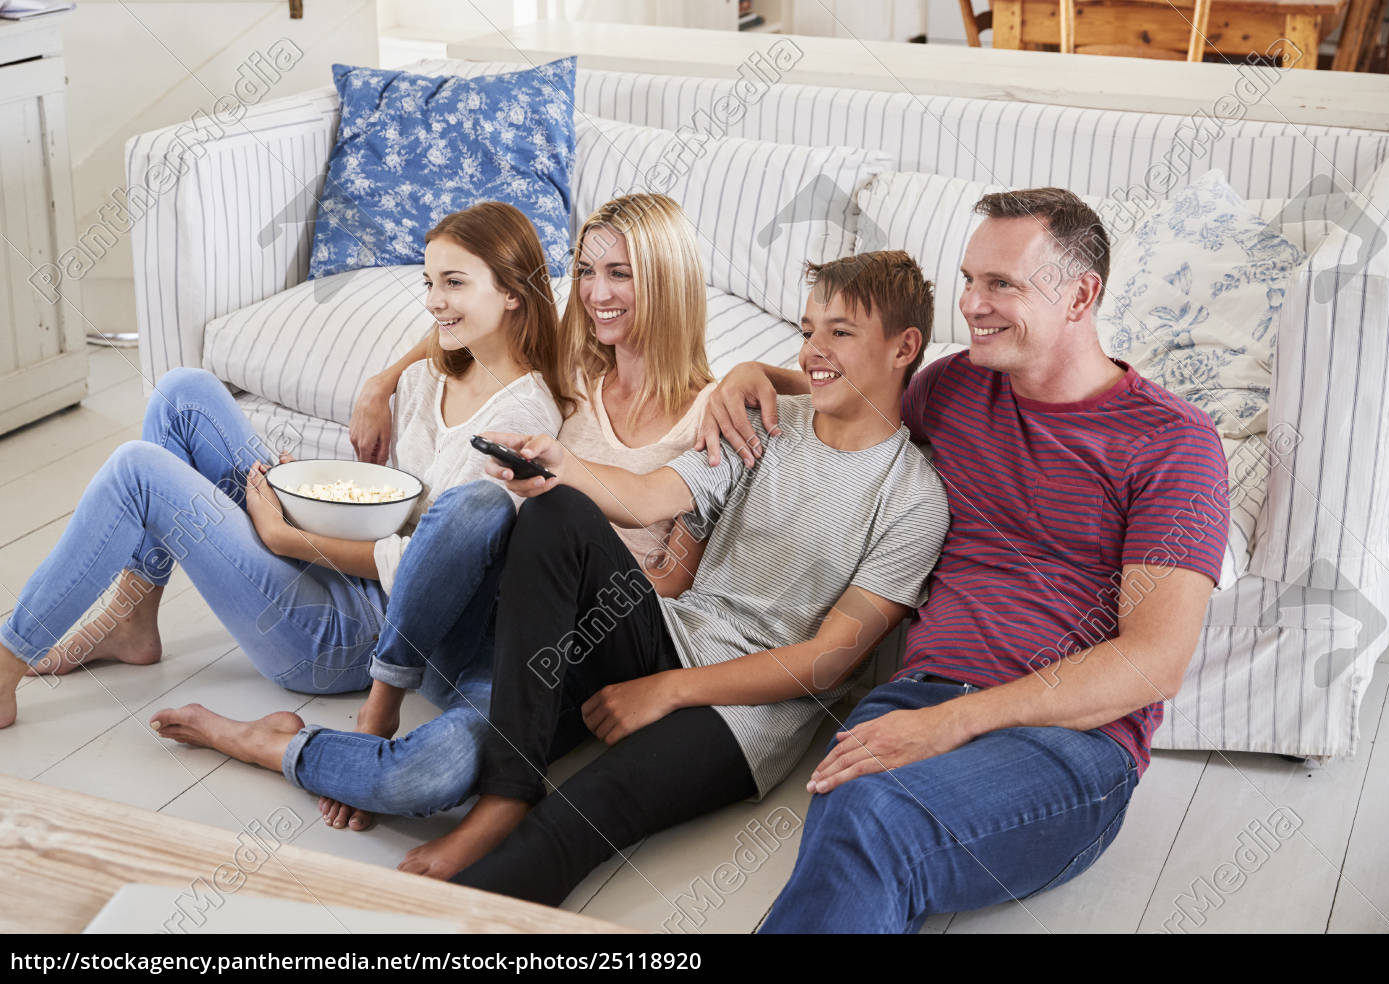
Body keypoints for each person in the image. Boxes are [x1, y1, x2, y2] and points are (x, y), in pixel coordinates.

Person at [697, 188, 1231, 933]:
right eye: (970, 280)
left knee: (874, 817)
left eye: (1001, 284)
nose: (973, 305)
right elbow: (854, 392)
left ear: (1082, 294)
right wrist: (750, 373)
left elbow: (1153, 663)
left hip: (1071, 744)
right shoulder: (956, 388)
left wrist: (953, 724)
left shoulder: (1172, 442)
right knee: (864, 819)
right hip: (915, 699)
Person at [147, 194, 720, 837]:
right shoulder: (579, 367)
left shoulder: (713, 415)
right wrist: (383, 381)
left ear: (668, 281)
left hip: (559, 656)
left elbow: (674, 578)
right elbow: (473, 312)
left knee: (423, 780)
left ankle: (264, 744)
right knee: (475, 502)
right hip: (478, 618)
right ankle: (381, 701)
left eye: (620, 273)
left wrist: (762, 372)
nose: (594, 292)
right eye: (585, 271)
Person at [391, 250, 950, 908]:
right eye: (807, 330)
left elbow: (825, 663)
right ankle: (508, 792)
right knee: (557, 511)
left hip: (746, 715)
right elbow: (650, 495)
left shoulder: (914, 497)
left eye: (841, 332)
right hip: (669, 634)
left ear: (903, 346)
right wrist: (563, 465)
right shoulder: (763, 422)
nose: (812, 352)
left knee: (580, 818)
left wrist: (668, 691)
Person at [0, 201, 566, 737]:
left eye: (455, 282)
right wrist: (307, 497)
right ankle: (133, 620)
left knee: (138, 471)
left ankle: (5, 662)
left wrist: (287, 534)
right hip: (342, 575)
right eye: (430, 282)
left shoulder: (516, 426)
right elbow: (398, 510)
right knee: (184, 393)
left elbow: (427, 566)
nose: (433, 301)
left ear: (513, 293)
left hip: (357, 637)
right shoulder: (427, 378)